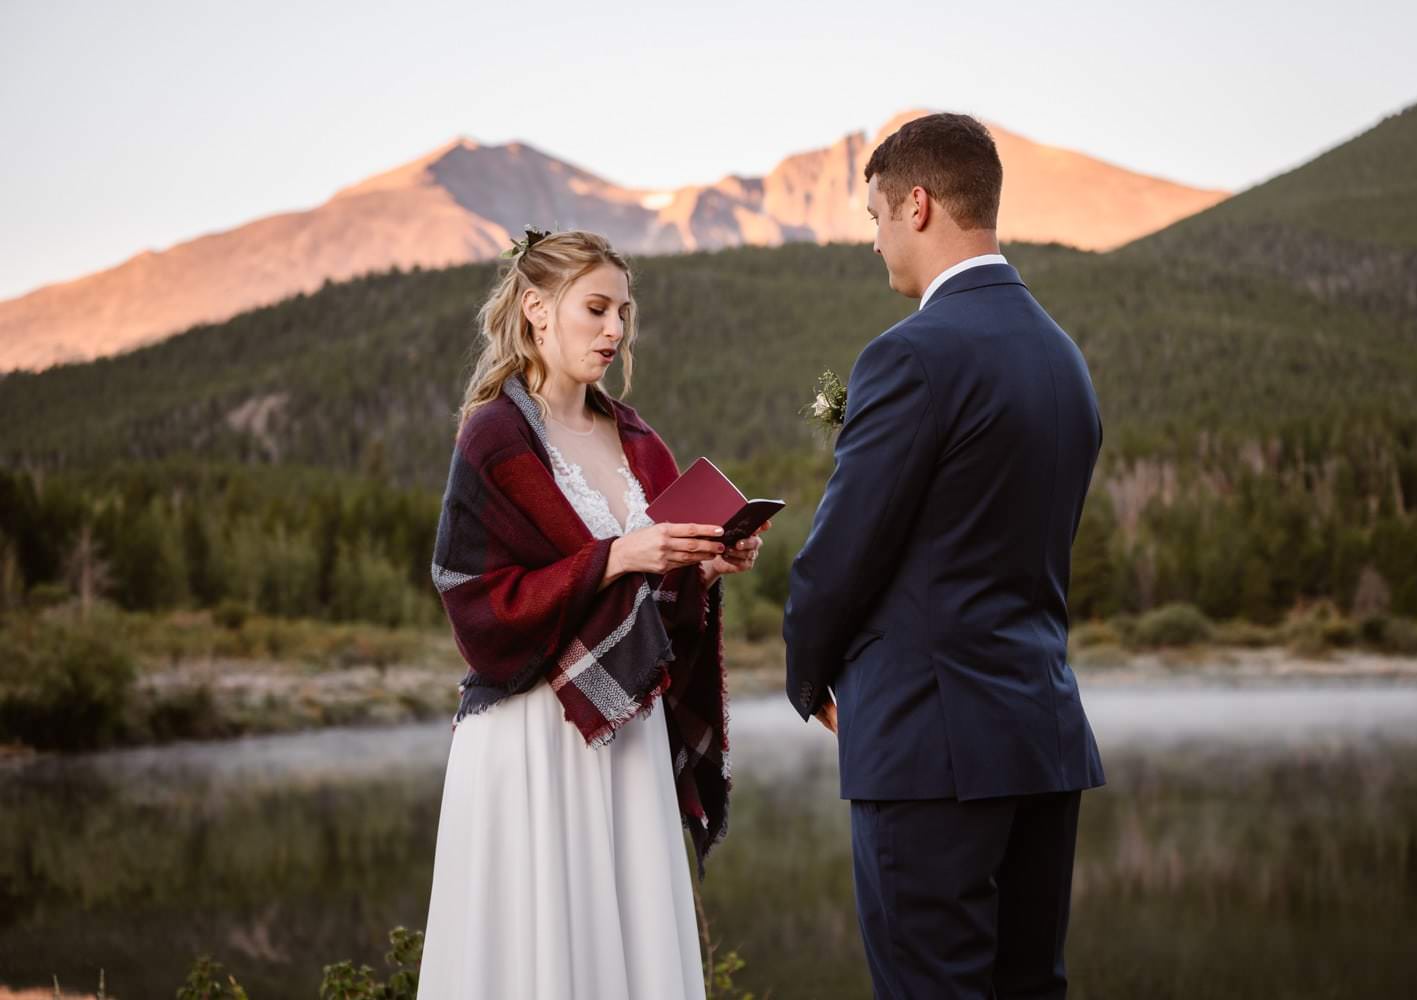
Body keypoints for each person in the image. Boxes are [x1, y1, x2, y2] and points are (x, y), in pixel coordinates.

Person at [782, 113, 1106, 999]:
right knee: (1029, 985)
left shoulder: (912, 356)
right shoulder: (1062, 357)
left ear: (917, 205)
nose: (878, 242)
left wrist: (808, 679)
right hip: (1041, 737)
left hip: (931, 749)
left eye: (878, 217)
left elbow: (839, 557)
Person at [417, 229, 764, 1000]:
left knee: (630, 957)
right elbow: (473, 600)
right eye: (597, 309)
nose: (615, 330)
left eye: (624, 314)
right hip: (534, 732)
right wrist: (618, 555)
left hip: (625, 729)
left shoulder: (639, 440)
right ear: (538, 310)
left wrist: (702, 566)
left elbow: (658, 614)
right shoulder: (495, 436)